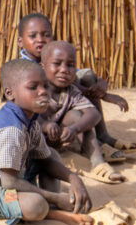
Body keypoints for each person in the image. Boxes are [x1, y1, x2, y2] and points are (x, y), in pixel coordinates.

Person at [0, 58, 93, 225]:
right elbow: (9, 182)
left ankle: (51, 203)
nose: (43, 92)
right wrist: (53, 197)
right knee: (35, 205)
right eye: (33, 87)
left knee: (51, 154)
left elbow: (46, 160)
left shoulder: (31, 121)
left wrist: (75, 179)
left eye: (45, 86)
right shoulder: (10, 129)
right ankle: (51, 209)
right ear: (10, 93)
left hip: (10, 175)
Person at [17, 12, 136, 157]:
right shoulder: (23, 67)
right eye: (33, 36)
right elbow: (67, 83)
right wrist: (103, 96)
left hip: (63, 109)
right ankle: (95, 145)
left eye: (46, 35)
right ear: (20, 42)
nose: (40, 40)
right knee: (76, 88)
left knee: (87, 75)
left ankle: (102, 135)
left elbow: (75, 74)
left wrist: (99, 83)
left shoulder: (53, 57)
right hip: (45, 122)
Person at [39, 41, 125, 183]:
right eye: (57, 64)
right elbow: (25, 116)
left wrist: (74, 128)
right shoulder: (36, 90)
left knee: (77, 117)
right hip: (36, 145)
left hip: (58, 141)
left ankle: (98, 163)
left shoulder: (71, 91)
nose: (64, 69)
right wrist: (45, 126)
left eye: (70, 65)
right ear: (43, 67)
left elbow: (94, 114)